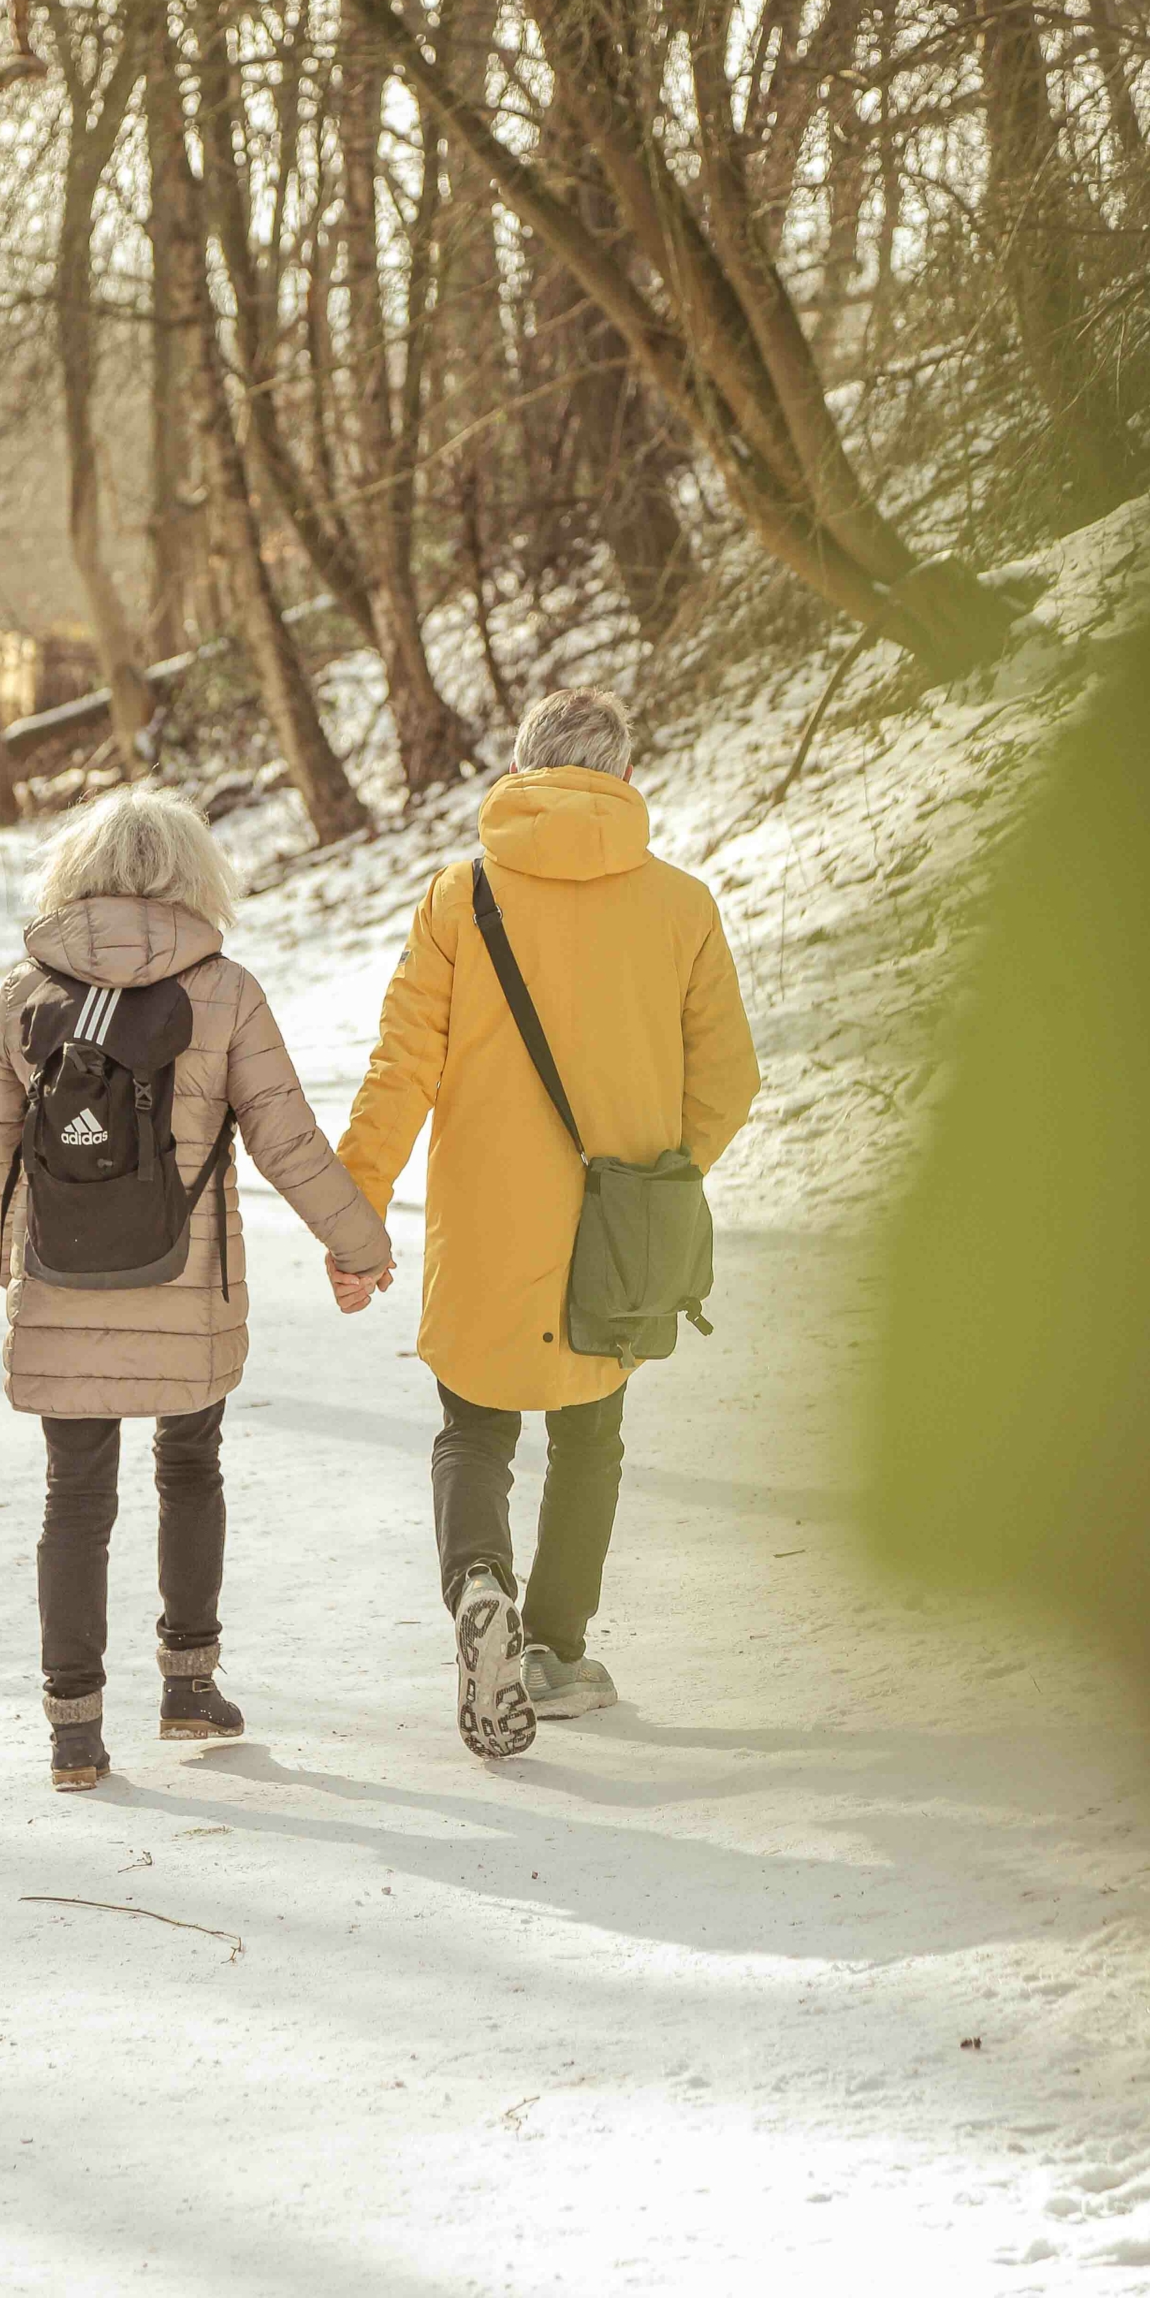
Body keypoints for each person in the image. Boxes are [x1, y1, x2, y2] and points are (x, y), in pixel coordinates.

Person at [332, 688, 759, 1760]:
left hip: (484, 1223)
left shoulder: (458, 895)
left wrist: (358, 1208)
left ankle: (481, 1584)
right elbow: (731, 1080)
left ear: (525, 770)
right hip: (614, 1234)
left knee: (475, 1426)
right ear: (621, 775)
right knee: (591, 1434)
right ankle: (555, 1653)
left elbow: (402, 1066)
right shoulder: (682, 904)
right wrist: (665, 1183)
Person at [0, 786, 392, 1793]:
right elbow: (287, 1137)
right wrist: (359, 1243)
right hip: (184, 1284)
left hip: (62, 1281)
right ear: (196, 877)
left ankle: (74, 1730)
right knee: (190, 1467)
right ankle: (189, 1687)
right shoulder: (224, 988)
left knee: (75, 1495)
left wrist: (7, 1254)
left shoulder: (26, 992)